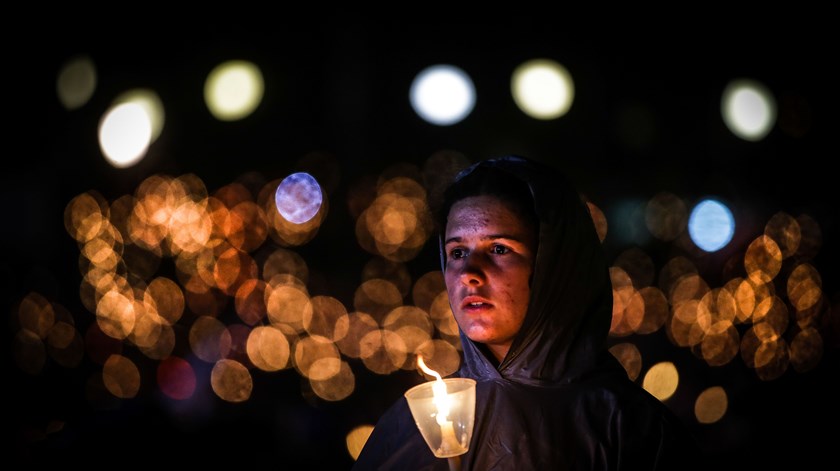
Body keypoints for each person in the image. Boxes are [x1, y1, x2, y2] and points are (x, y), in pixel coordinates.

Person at [353, 155, 701, 470]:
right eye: (457, 252)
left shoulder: (629, 429)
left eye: (499, 248)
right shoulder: (410, 430)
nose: (469, 273)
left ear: (554, 267)